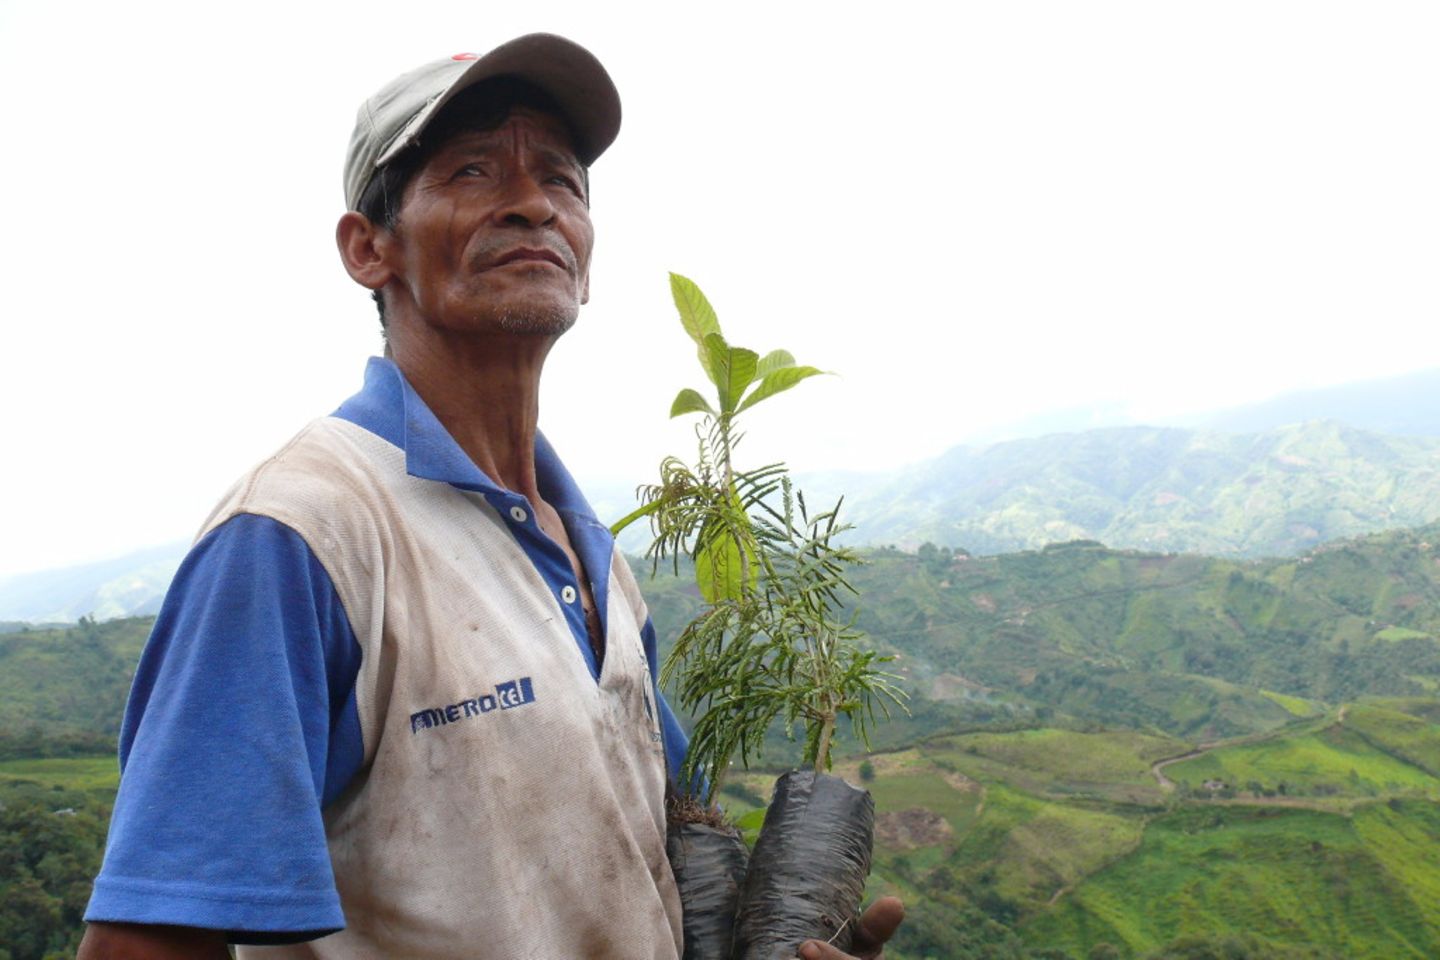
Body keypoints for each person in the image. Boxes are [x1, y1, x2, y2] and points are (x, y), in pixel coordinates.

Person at [77, 33, 902, 960]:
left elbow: (645, 864)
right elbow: (143, 943)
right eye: (472, 171)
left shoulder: (597, 562)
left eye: (563, 181)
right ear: (367, 249)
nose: (532, 204)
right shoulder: (301, 538)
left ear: (586, 256)